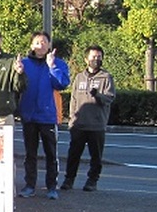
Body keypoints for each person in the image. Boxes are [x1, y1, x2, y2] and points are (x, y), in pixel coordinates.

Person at [18, 31, 70, 199]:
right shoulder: (24, 64)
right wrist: (18, 72)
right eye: (37, 42)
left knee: (51, 154)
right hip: (29, 116)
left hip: (48, 116)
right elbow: (16, 86)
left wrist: (52, 66)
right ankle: (29, 185)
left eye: (44, 42)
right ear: (31, 45)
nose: (40, 45)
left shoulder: (58, 63)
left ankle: (52, 187)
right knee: (30, 154)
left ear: (49, 45)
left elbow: (62, 84)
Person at [62, 45, 115, 192]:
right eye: (93, 57)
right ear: (86, 59)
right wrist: (72, 119)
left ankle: (92, 180)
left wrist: (97, 95)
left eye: (99, 57)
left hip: (96, 124)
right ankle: (69, 179)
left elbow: (109, 98)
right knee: (74, 154)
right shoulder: (79, 77)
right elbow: (73, 99)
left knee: (96, 156)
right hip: (79, 124)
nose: (96, 60)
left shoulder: (106, 77)